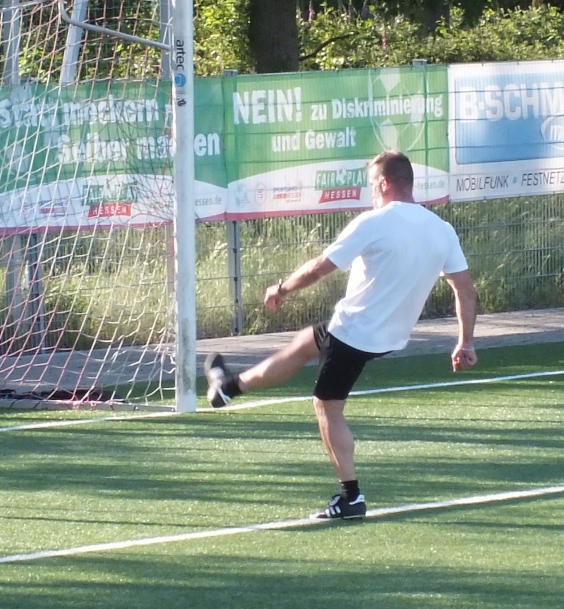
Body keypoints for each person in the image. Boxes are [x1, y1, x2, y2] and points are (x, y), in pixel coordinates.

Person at [204, 150, 477, 519]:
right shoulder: (442, 229)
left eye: (372, 185)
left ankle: (350, 497)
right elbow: (464, 289)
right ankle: (227, 388)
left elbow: (320, 268)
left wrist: (281, 289)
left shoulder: (374, 222)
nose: (371, 193)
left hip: (355, 332)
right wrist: (465, 342)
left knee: (326, 407)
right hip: (388, 336)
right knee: (305, 344)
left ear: (384, 184)